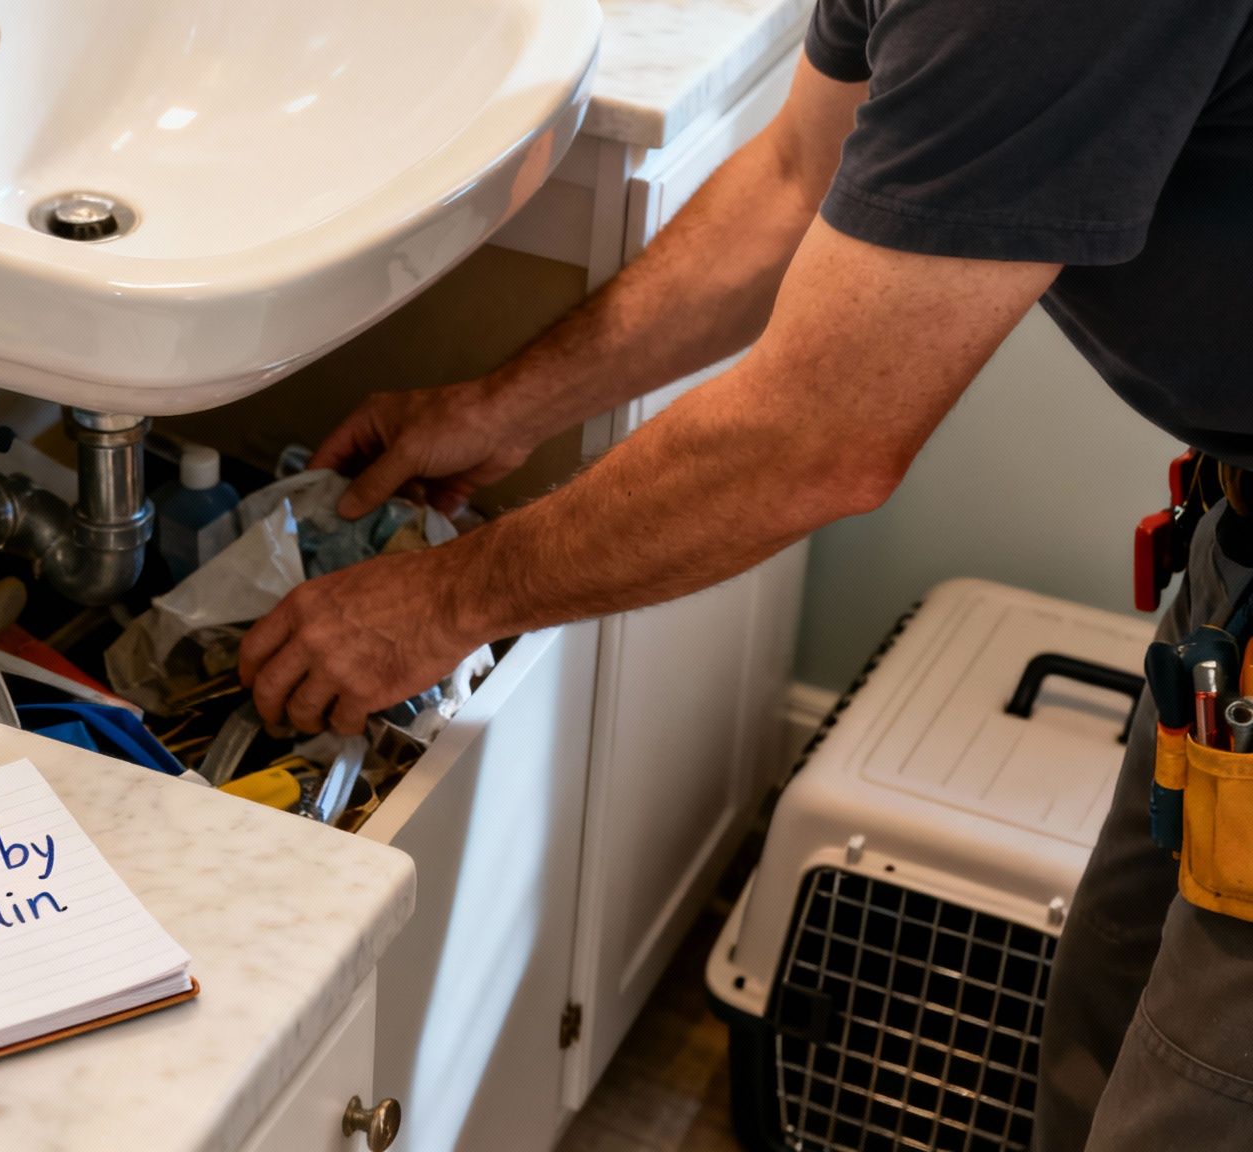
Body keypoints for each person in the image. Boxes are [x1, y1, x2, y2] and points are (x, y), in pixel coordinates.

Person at [237, 0, 1253, 1146]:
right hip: (1232, 557)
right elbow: (792, 179)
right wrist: (494, 410)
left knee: (1190, 1108)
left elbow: (818, 439)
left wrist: (441, 601)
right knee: (1104, 1031)